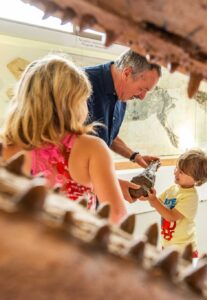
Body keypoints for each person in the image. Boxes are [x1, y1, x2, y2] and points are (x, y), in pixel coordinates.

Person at [1, 55, 127, 225]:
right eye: (84, 98)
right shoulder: (91, 148)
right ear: (72, 102)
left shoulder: (5, 146)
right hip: (71, 249)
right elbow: (116, 215)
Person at [84, 50, 161, 202]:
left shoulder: (122, 96)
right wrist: (114, 185)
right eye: (142, 89)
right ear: (126, 73)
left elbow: (105, 134)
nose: (142, 97)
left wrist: (134, 156)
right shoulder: (82, 85)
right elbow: (64, 151)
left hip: (96, 198)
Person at [146, 149, 207, 257]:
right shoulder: (173, 189)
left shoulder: (190, 197)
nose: (175, 172)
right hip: (167, 245)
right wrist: (150, 197)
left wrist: (154, 201)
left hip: (184, 251)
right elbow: (157, 204)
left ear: (196, 179)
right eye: (176, 168)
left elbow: (171, 216)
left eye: (181, 172)